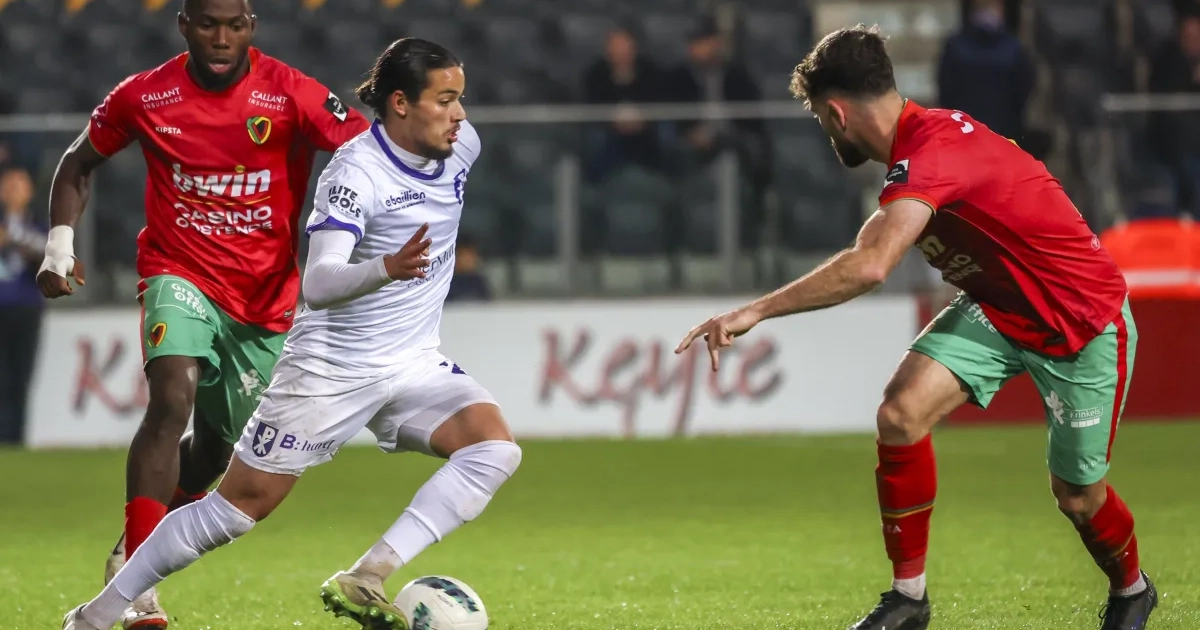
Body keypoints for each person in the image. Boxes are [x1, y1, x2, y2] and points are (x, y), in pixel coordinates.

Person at [675, 25, 1156, 630]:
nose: (828, 133)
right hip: (1000, 308)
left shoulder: (931, 155)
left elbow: (870, 265)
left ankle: (1132, 590)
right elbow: (875, 248)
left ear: (837, 112)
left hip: (1080, 320)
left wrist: (754, 311)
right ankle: (908, 599)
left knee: (1078, 497)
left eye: (822, 121)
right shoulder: (921, 149)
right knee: (900, 414)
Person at [62, 37, 521, 630]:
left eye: (461, 98)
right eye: (446, 99)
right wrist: (386, 267)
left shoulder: (461, 147)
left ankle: (368, 574)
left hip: (411, 363)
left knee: (493, 448)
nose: (460, 115)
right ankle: (95, 616)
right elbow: (321, 282)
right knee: (237, 508)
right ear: (401, 103)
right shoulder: (356, 173)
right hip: (329, 371)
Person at [38, 0, 369, 627]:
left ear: (251, 28)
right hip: (178, 271)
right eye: (209, 24)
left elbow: (366, 152)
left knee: (217, 450)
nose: (221, 38)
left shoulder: (291, 92)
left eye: (235, 26)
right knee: (172, 399)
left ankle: (132, 549)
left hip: (264, 300)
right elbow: (78, 162)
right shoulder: (145, 95)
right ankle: (137, 584)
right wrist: (60, 246)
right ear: (184, 25)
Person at [0, 166, 47, 445]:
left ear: (29, 191)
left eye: (19, 185)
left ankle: (15, 440)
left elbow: (51, 255)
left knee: (21, 377)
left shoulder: (39, 225)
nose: (13, 190)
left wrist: (13, 237)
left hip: (27, 309)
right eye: (8, 185)